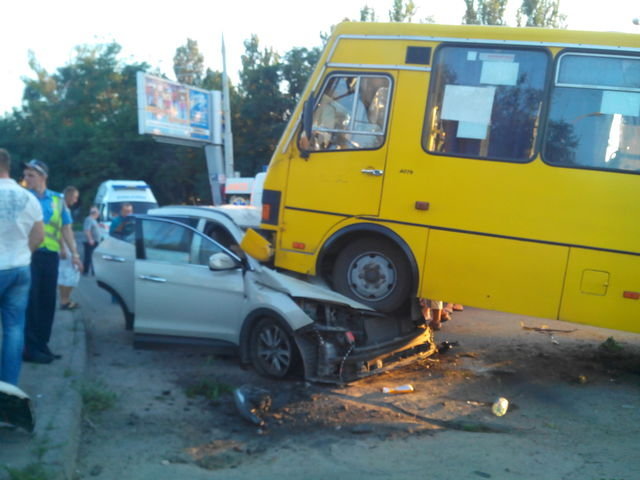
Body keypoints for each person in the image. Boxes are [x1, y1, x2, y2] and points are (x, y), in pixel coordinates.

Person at [22, 159, 83, 364]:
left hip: (50, 257)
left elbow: (66, 227)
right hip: (30, 255)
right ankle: (30, 349)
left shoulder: (57, 200)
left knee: (48, 301)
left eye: (31, 175)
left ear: (43, 177)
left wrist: (75, 254)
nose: (26, 178)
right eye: (26, 174)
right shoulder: (24, 198)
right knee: (32, 302)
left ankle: (42, 345)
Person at [0, 149, 44, 384]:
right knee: (14, 329)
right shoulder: (28, 197)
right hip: (19, 268)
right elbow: (39, 235)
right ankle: (7, 389)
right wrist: (24, 254)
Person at [57, 186, 80, 310]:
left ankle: (64, 299)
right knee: (72, 272)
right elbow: (60, 229)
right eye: (75, 197)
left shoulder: (62, 207)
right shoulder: (63, 209)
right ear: (69, 196)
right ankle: (64, 300)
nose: (76, 200)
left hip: (66, 245)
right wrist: (62, 248)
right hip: (65, 246)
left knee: (63, 273)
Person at [82, 206, 101, 275]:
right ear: (95, 213)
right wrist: (90, 239)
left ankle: (94, 271)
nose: (99, 214)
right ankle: (85, 271)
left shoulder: (93, 220)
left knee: (93, 257)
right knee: (89, 257)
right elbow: (87, 230)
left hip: (94, 241)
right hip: (90, 242)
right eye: (98, 212)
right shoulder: (89, 219)